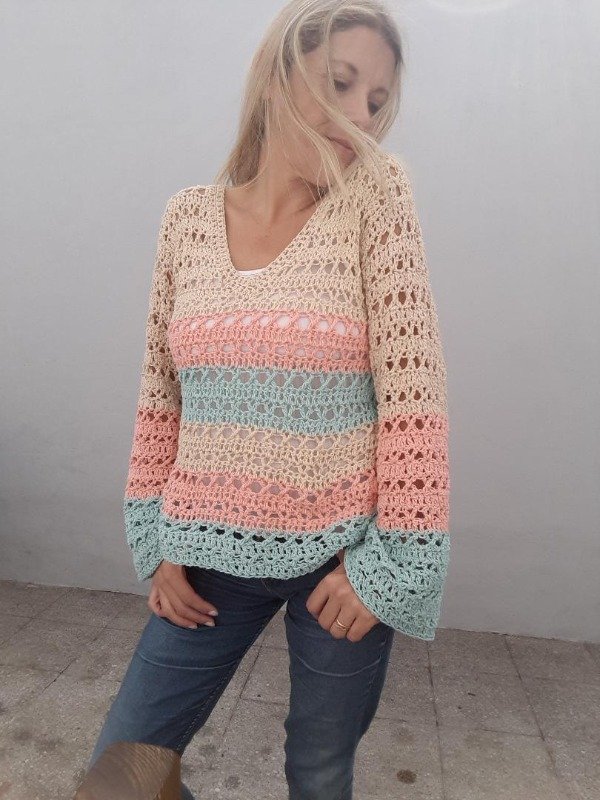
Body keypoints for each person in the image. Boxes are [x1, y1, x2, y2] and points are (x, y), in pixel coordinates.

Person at [87, 1, 451, 798]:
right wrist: (160, 538)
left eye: (378, 100)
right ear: (278, 74)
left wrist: (390, 565)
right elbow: (161, 395)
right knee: (121, 777)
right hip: (207, 559)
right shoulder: (187, 220)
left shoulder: (376, 200)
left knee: (317, 774)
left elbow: (413, 400)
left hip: (343, 561)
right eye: (341, 83)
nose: (362, 117)